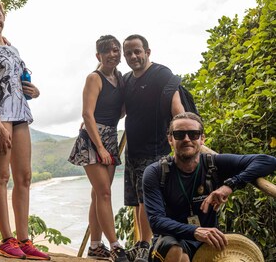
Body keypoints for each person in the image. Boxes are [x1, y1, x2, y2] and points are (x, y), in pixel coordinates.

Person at [143, 112, 276, 262]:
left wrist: (229, 185)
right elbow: (156, 221)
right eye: (179, 134)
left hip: (208, 241)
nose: (187, 139)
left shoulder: (213, 164)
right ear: (170, 139)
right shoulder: (156, 172)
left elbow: (268, 161)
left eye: (193, 134)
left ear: (202, 139)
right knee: (175, 251)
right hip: (173, 240)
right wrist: (196, 231)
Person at [0, 0, 49, 260]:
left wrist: (34, 91)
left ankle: (24, 239)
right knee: (1, 177)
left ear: (4, 16)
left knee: (24, 177)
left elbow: (17, 82)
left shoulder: (13, 49)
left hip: (20, 113)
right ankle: (6, 239)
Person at [122, 34, 185, 261]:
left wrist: (184, 136)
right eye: (128, 53)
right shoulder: (127, 80)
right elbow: (120, 110)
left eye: (137, 51)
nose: (133, 56)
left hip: (156, 149)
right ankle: (142, 244)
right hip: (134, 150)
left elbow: (176, 107)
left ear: (148, 51)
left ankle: (147, 246)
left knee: (147, 199)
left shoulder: (161, 75)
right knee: (137, 200)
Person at [68, 35, 128, 262]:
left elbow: (120, 111)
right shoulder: (95, 78)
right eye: (107, 51)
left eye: (115, 50)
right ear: (98, 56)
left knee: (97, 195)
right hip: (94, 139)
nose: (113, 54)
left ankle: (95, 246)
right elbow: (87, 113)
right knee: (104, 192)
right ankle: (115, 246)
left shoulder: (120, 79)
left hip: (111, 136)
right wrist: (100, 147)